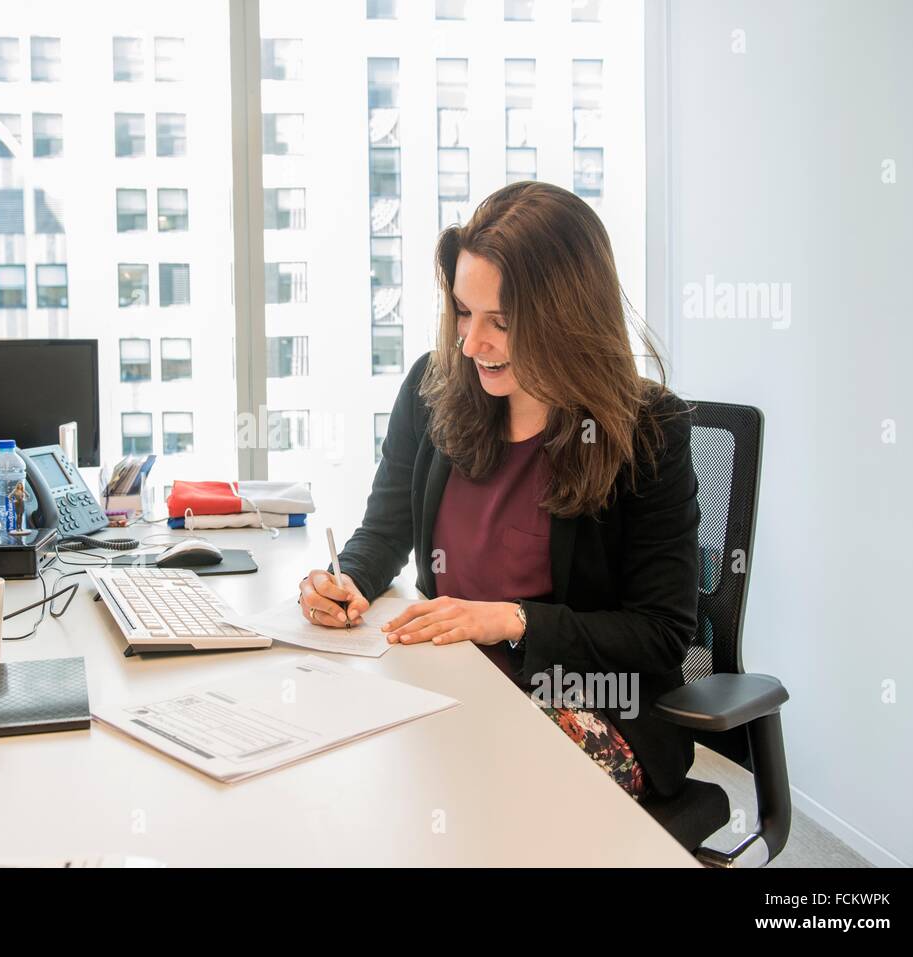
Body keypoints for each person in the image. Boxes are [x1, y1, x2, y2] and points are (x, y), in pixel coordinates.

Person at [297, 182, 701, 800]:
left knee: (459, 793)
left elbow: (660, 634)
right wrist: (347, 579)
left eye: (501, 323)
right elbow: (383, 532)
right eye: (464, 311)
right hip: (451, 679)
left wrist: (511, 621)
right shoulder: (435, 389)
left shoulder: (647, 429)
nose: (471, 343)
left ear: (568, 318)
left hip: (587, 703)